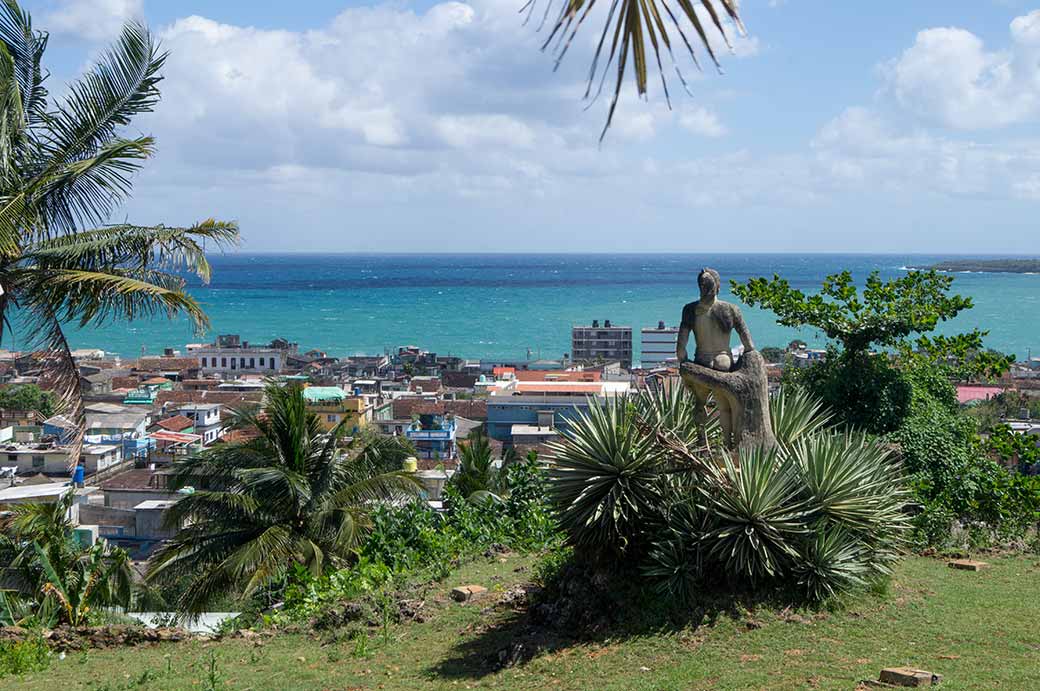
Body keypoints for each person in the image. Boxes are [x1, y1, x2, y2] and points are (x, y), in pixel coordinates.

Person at [676, 268, 755, 446]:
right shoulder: (731, 309)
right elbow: (749, 344)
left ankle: (702, 443)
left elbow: (681, 347)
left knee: (699, 404)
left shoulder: (689, 310)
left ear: (699, 287)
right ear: (718, 286)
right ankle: (727, 444)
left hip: (701, 362)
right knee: (724, 407)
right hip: (723, 361)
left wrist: (685, 362)